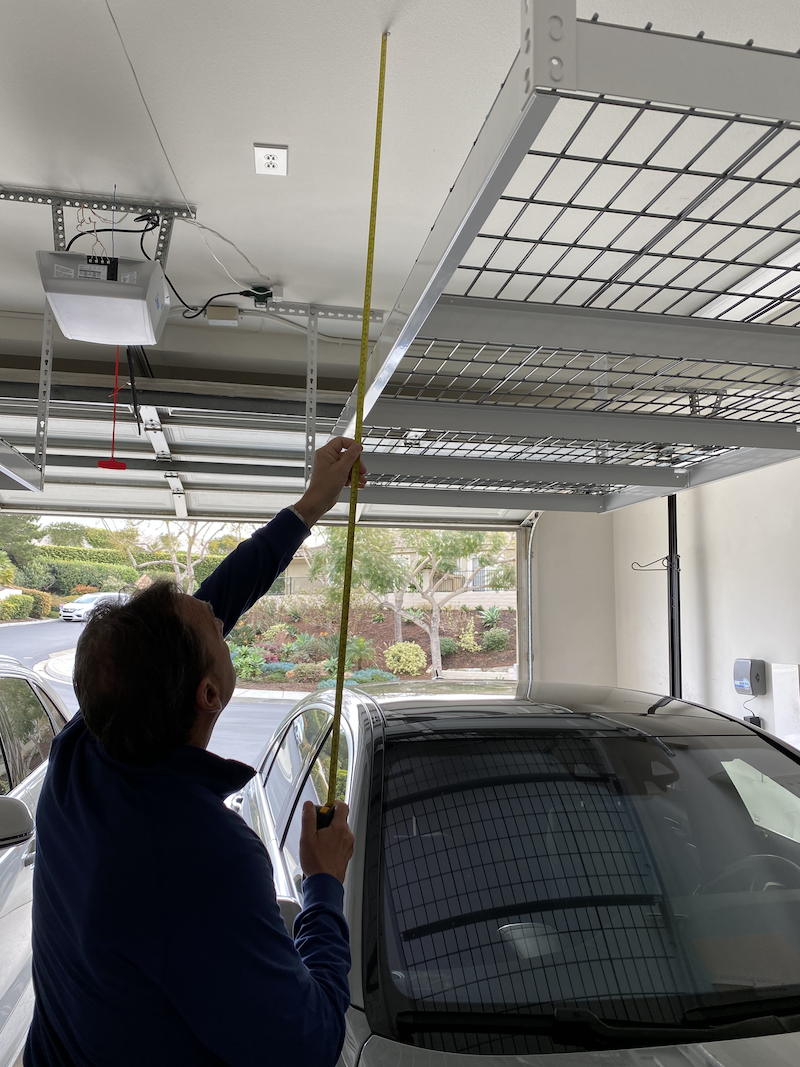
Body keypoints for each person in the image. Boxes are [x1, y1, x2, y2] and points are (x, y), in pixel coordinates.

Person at [25, 438, 367, 1067]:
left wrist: (309, 508)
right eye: (214, 624)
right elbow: (309, 1043)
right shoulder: (202, 855)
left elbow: (217, 600)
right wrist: (322, 884)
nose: (219, 610)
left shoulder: (82, 754)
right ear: (209, 695)